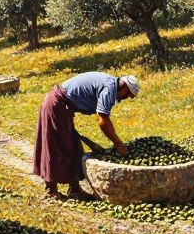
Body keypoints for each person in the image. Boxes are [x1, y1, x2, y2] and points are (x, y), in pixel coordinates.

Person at [33, 72, 139, 200]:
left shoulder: (109, 84)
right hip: (56, 105)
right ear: (125, 88)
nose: (123, 99)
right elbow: (103, 120)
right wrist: (118, 144)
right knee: (56, 147)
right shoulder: (109, 89)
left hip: (63, 107)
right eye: (127, 95)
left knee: (74, 145)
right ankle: (51, 190)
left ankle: (75, 189)